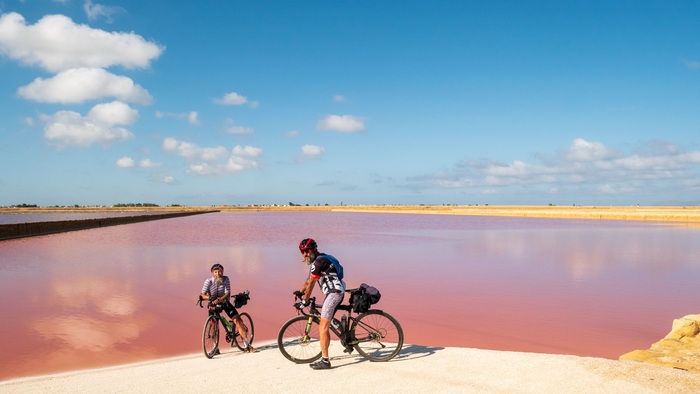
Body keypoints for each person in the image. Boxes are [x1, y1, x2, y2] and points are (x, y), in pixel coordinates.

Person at [295, 238, 345, 370]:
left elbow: (311, 284)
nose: (304, 254)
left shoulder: (318, 262)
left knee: (323, 326)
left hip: (334, 293)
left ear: (313, 249)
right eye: (302, 252)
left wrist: (305, 301)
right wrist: (300, 292)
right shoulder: (317, 260)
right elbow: (308, 281)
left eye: (306, 251)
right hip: (334, 292)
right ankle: (344, 332)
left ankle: (325, 361)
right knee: (326, 319)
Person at [200, 262, 256, 353]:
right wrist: (210, 298)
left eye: (220, 272)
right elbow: (202, 295)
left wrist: (220, 299)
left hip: (225, 303)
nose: (218, 274)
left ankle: (247, 345)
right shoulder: (208, 281)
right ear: (212, 273)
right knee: (213, 326)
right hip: (213, 304)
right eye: (215, 272)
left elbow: (227, 294)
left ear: (223, 272)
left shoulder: (226, 279)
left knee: (238, 320)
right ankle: (215, 348)